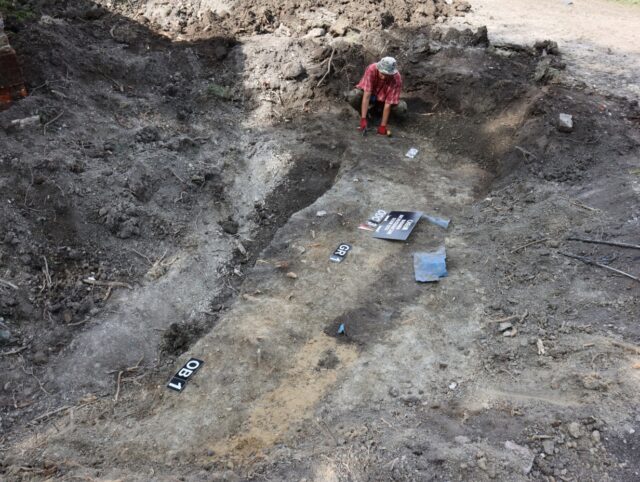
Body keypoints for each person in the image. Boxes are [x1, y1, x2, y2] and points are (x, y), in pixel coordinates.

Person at [347, 57, 407, 136]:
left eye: (387, 75)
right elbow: (367, 95)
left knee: (401, 108)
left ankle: (384, 118)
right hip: (371, 97)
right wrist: (363, 118)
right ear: (379, 68)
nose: (384, 77)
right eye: (382, 73)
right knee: (353, 96)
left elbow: (388, 104)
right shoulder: (372, 69)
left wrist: (383, 126)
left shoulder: (396, 78)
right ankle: (366, 115)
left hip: (384, 102)